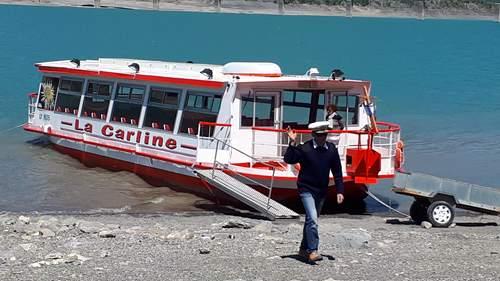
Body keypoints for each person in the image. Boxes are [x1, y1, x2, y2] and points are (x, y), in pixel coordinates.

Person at [284, 121, 345, 263]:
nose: (322, 137)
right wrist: (292, 143)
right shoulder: (305, 149)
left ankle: (303, 249)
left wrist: (340, 191)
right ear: (313, 135)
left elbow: (337, 172)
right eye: (319, 135)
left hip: (321, 190)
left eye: (324, 135)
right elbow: (289, 159)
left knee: (310, 220)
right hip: (306, 188)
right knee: (313, 218)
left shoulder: (331, 149)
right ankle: (313, 250)